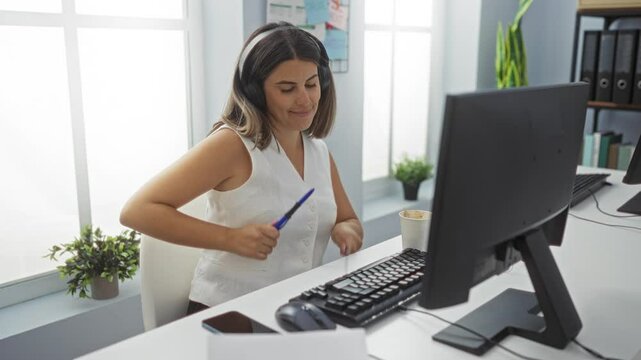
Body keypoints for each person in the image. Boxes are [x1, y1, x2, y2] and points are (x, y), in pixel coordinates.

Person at [119, 22, 363, 315]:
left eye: (311, 84)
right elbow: (137, 210)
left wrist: (347, 230)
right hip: (231, 313)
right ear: (255, 92)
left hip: (295, 311)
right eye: (287, 89)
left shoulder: (318, 151)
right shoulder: (231, 145)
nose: (305, 99)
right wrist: (230, 239)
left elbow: (347, 218)